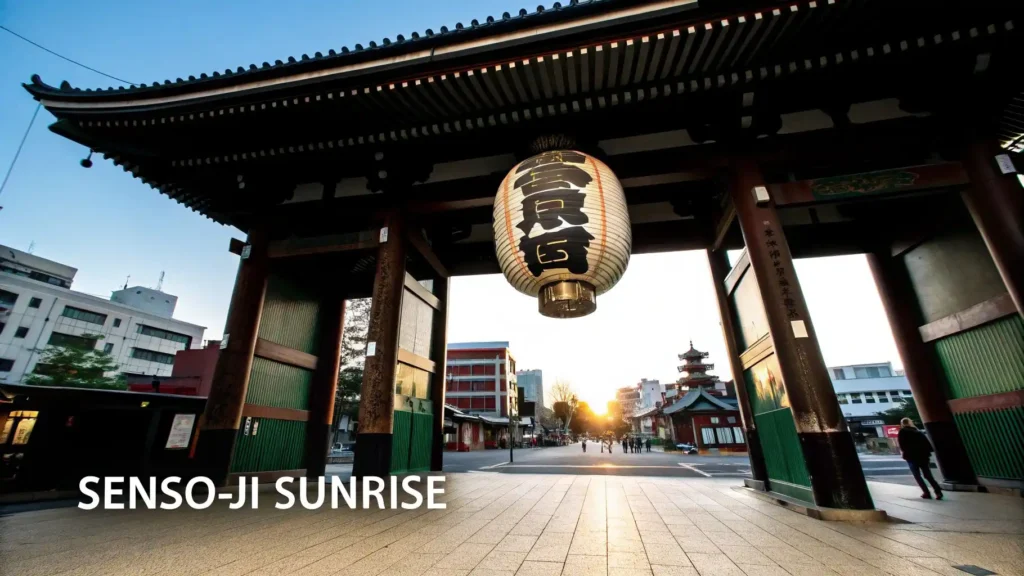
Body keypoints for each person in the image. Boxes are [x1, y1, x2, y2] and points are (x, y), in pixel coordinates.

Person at [897, 418, 943, 500]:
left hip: (911, 457)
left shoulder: (902, 432)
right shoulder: (918, 431)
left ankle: (926, 493)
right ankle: (938, 492)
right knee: (928, 475)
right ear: (910, 423)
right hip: (923, 457)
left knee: (917, 476)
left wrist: (905, 453)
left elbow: (902, 445)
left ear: (902, 424)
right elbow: (927, 444)